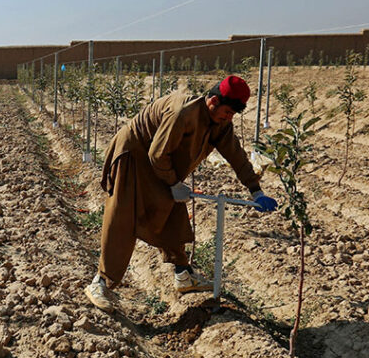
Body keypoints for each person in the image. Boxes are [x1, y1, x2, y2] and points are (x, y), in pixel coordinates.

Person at [85, 75, 278, 312]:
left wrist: (255, 190)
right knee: (122, 217)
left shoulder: (220, 121)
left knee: (172, 212)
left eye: (232, 115)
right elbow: (157, 154)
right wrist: (173, 183)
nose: (229, 118)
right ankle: (100, 282)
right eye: (227, 112)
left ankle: (183, 276)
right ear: (213, 101)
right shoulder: (182, 113)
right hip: (133, 154)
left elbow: (235, 153)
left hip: (159, 163)